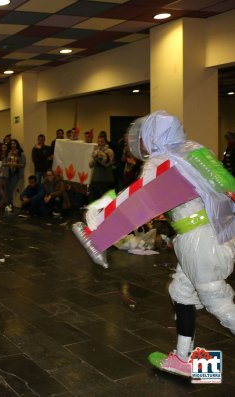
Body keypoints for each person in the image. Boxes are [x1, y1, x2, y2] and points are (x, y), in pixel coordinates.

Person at [79, 111, 235, 377]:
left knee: (217, 301)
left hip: (198, 239)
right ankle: (184, 358)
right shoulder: (194, 150)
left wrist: (98, 221)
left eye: (143, 138)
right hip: (222, 229)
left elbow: (138, 201)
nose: (139, 144)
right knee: (181, 292)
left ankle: (186, 358)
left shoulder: (160, 161)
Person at [88, 135, 115, 202]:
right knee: (94, 201)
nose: (99, 143)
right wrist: (95, 157)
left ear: (106, 142)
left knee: (106, 202)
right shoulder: (96, 151)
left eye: (102, 141)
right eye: (99, 141)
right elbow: (90, 165)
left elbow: (106, 163)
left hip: (106, 180)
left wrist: (97, 156)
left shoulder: (110, 151)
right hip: (95, 179)